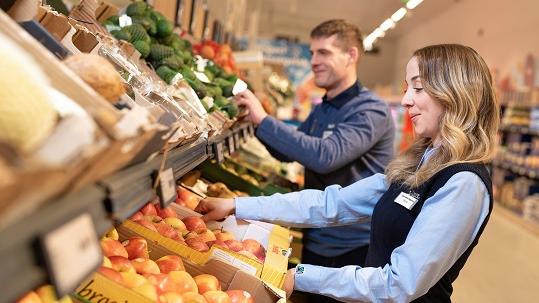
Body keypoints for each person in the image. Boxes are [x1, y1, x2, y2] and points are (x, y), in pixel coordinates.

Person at [196, 44, 499, 302]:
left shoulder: (463, 183)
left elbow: (400, 284)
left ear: (455, 94)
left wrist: (303, 276)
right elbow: (333, 204)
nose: (406, 100)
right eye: (408, 89)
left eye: (418, 88)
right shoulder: (419, 162)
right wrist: (237, 206)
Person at [234, 20, 395, 300]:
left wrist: (264, 120)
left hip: (351, 247)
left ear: (351, 55)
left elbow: (324, 157)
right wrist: (253, 123)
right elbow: (288, 152)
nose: (314, 61)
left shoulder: (371, 110)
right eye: (312, 53)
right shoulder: (324, 107)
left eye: (324, 53)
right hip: (317, 234)